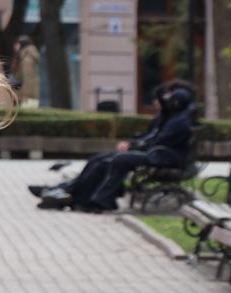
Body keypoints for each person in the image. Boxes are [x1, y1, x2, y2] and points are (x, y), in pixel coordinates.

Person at [33, 81, 197, 212]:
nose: (162, 102)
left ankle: (93, 198)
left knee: (116, 159)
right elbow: (154, 138)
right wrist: (136, 145)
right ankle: (74, 194)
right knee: (100, 159)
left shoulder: (179, 121)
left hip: (161, 156)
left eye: (168, 99)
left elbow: (159, 141)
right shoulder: (174, 117)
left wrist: (136, 146)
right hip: (157, 154)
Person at [12, 35, 40, 109]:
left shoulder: (27, 59)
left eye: (16, 44)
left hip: (26, 99)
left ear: (21, 44)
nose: (14, 47)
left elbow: (28, 79)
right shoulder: (24, 57)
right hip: (27, 97)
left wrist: (25, 95)